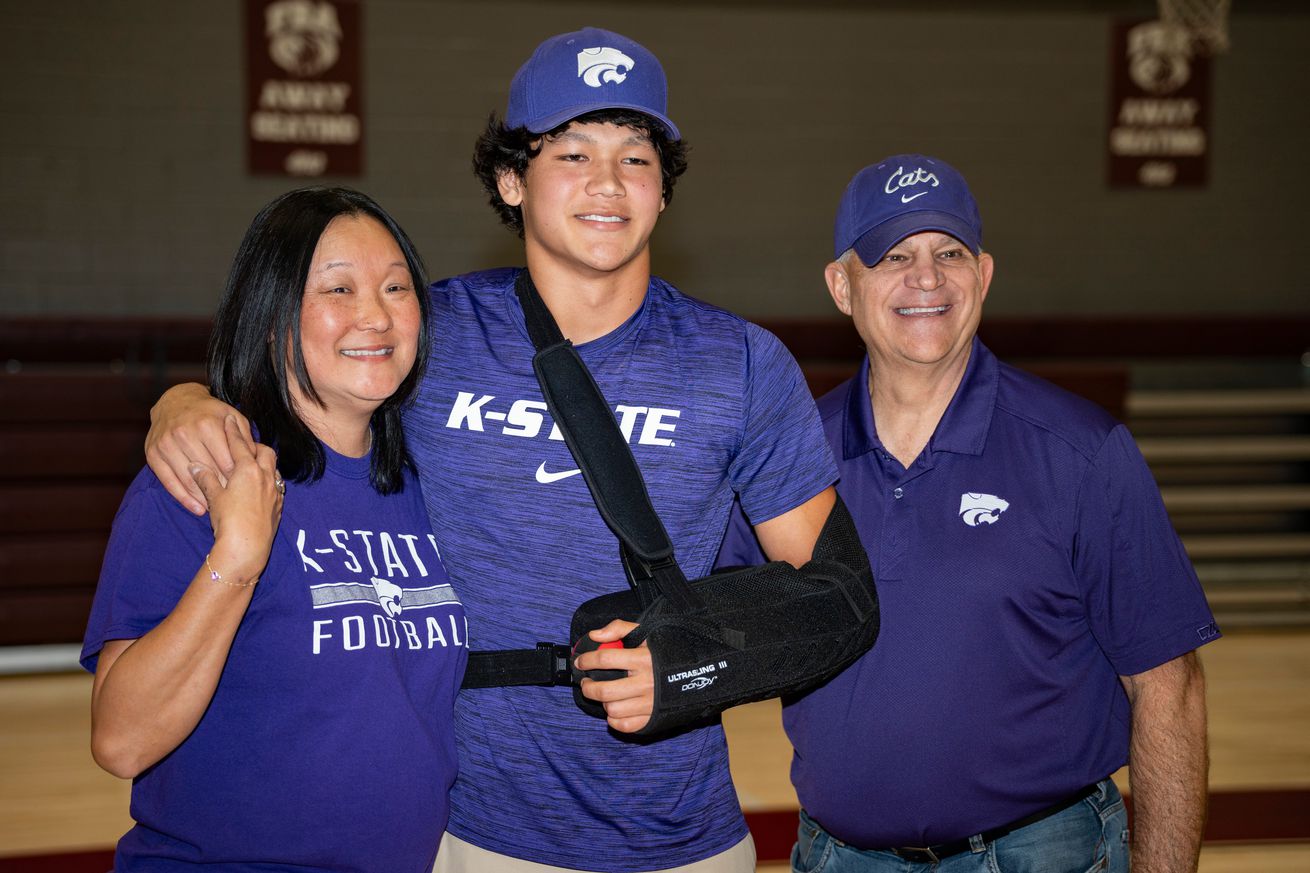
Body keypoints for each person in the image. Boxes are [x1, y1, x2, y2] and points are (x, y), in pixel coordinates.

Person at [143, 28, 839, 873]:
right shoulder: (427, 337)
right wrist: (182, 401)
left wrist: (702, 665)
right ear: (512, 180)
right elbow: (292, 373)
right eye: (572, 153)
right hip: (468, 832)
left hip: (684, 837)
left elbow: (831, 598)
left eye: (636, 157)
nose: (608, 184)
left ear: (663, 190)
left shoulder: (740, 362)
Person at [718, 154, 1219, 872]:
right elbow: (715, 629)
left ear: (982, 275)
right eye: (894, 255)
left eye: (949, 252)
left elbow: (1169, 686)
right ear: (842, 285)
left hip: (1045, 853)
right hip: (842, 857)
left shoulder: (1081, 450)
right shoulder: (790, 456)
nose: (927, 277)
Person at [82, 187, 468, 872]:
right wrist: (238, 555)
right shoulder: (204, 476)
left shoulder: (431, 479)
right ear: (271, 316)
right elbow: (122, 739)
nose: (375, 315)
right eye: (338, 289)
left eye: (395, 286)